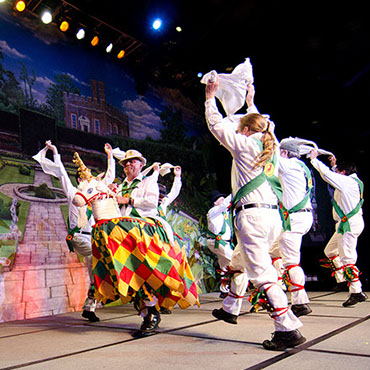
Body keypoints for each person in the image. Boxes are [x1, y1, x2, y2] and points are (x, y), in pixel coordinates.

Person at [205, 75, 305, 351]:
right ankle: (231, 307)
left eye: (241, 128)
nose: (238, 131)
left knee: (262, 275)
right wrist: (250, 102)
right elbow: (264, 124)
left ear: (247, 130)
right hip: (272, 219)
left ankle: (286, 329)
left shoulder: (246, 145)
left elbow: (215, 126)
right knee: (238, 261)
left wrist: (210, 97)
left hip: (253, 219)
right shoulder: (270, 145)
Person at [33, 140, 115, 322]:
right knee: (97, 259)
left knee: (94, 273)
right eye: (84, 179)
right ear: (79, 181)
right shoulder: (72, 193)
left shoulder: (93, 194)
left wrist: (110, 157)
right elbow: (61, 173)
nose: (89, 181)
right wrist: (55, 152)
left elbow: (108, 179)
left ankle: (89, 307)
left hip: (93, 238)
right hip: (78, 238)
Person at [310, 150, 367, 307]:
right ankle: (342, 279)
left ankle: (356, 291)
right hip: (346, 224)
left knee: (348, 257)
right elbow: (334, 176)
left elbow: (328, 175)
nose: (337, 174)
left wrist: (315, 161)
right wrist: (335, 165)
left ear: (344, 173)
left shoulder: (348, 182)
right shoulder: (352, 181)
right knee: (330, 251)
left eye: (339, 172)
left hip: (348, 224)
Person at [274, 139, 314, 317]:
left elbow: (272, 154)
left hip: (295, 217)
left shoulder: (289, 164)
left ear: (285, 153)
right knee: (274, 251)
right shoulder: (302, 166)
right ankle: (276, 289)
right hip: (302, 216)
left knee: (291, 261)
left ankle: (300, 302)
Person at [206, 190, 234, 298]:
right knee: (235, 259)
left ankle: (224, 290)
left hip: (224, 242)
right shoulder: (213, 211)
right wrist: (236, 190)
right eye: (220, 199)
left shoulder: (224, 213)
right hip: (217, 242)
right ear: (215, 203)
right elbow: (225, 204)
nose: (222, 200)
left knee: (225, 266)